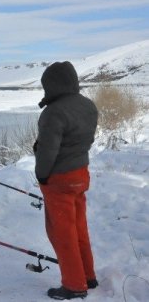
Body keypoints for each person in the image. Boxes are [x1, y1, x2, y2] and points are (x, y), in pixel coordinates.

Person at [34, 61, 99, 300]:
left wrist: (42, 175)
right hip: (81, 175)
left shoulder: (53, 112)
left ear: (52, 85)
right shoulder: (88, 105)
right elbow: (85, 141)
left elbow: (47, 151)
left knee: (63, 233)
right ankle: (87, 276)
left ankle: (74, 285)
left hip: (59, 181)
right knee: (79, 228)